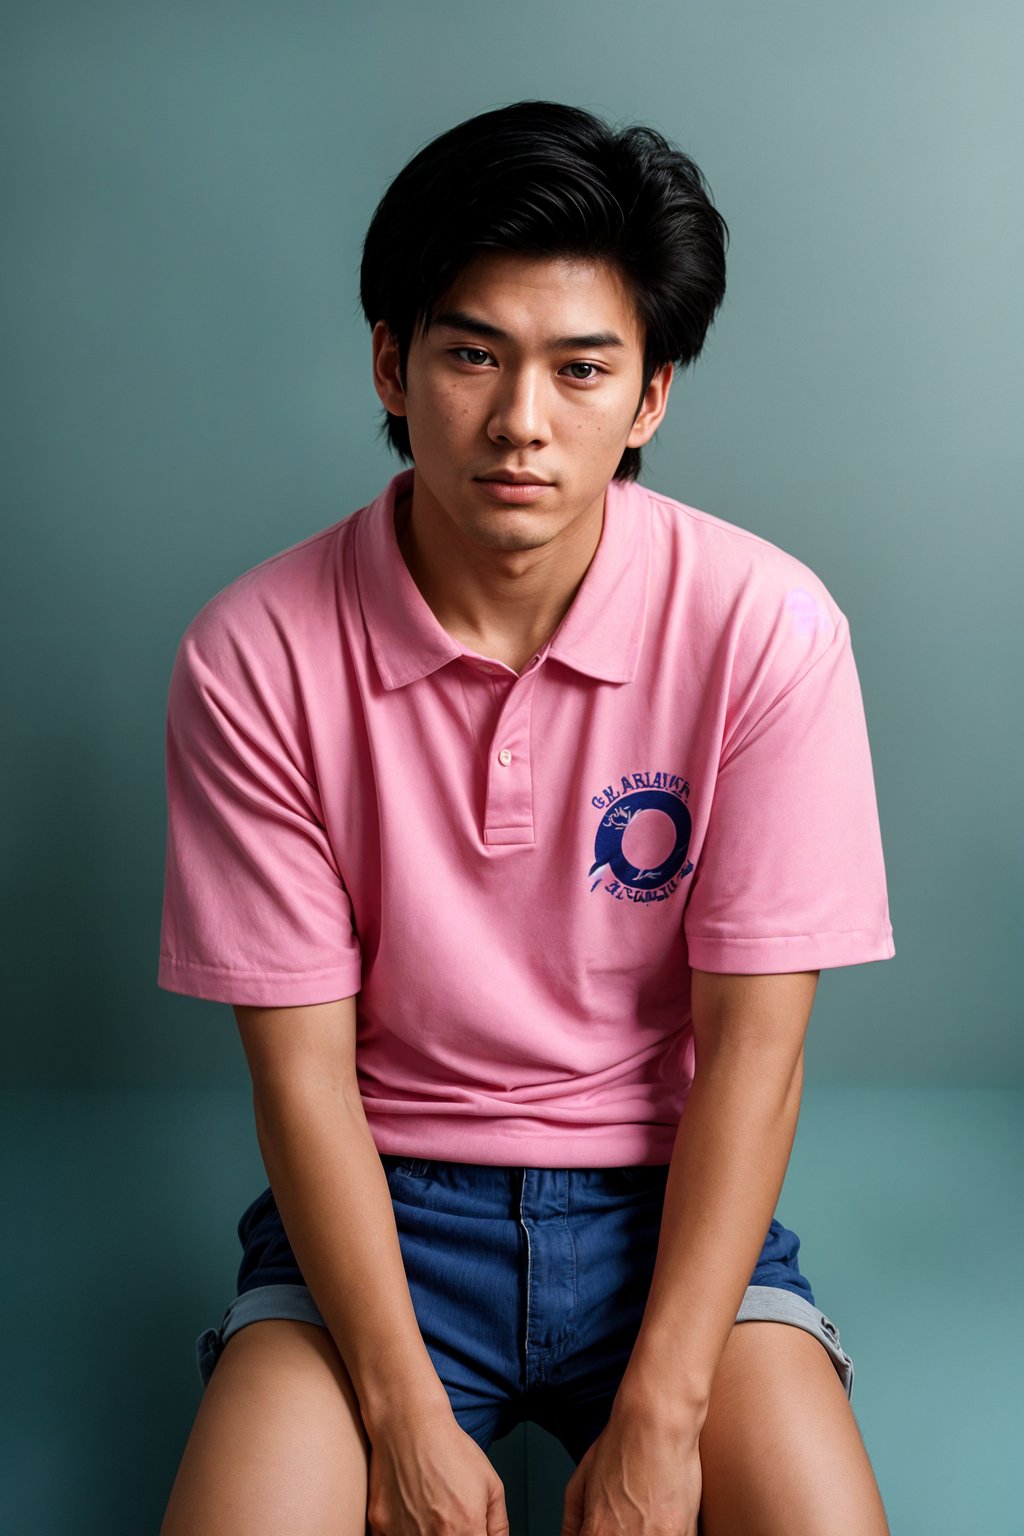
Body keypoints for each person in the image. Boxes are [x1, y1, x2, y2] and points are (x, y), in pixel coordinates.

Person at [156, 101, 895, 1536]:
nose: (521, 422)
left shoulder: (767, 628)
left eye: (582, 369)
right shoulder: (253, 652)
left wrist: (666, 1413)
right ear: (393, 360)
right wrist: (400, 1412)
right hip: (380, 1221)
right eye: (471, 354)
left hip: (667, 1216)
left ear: (653, 395)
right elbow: (302, 1081)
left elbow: (757, 1049)